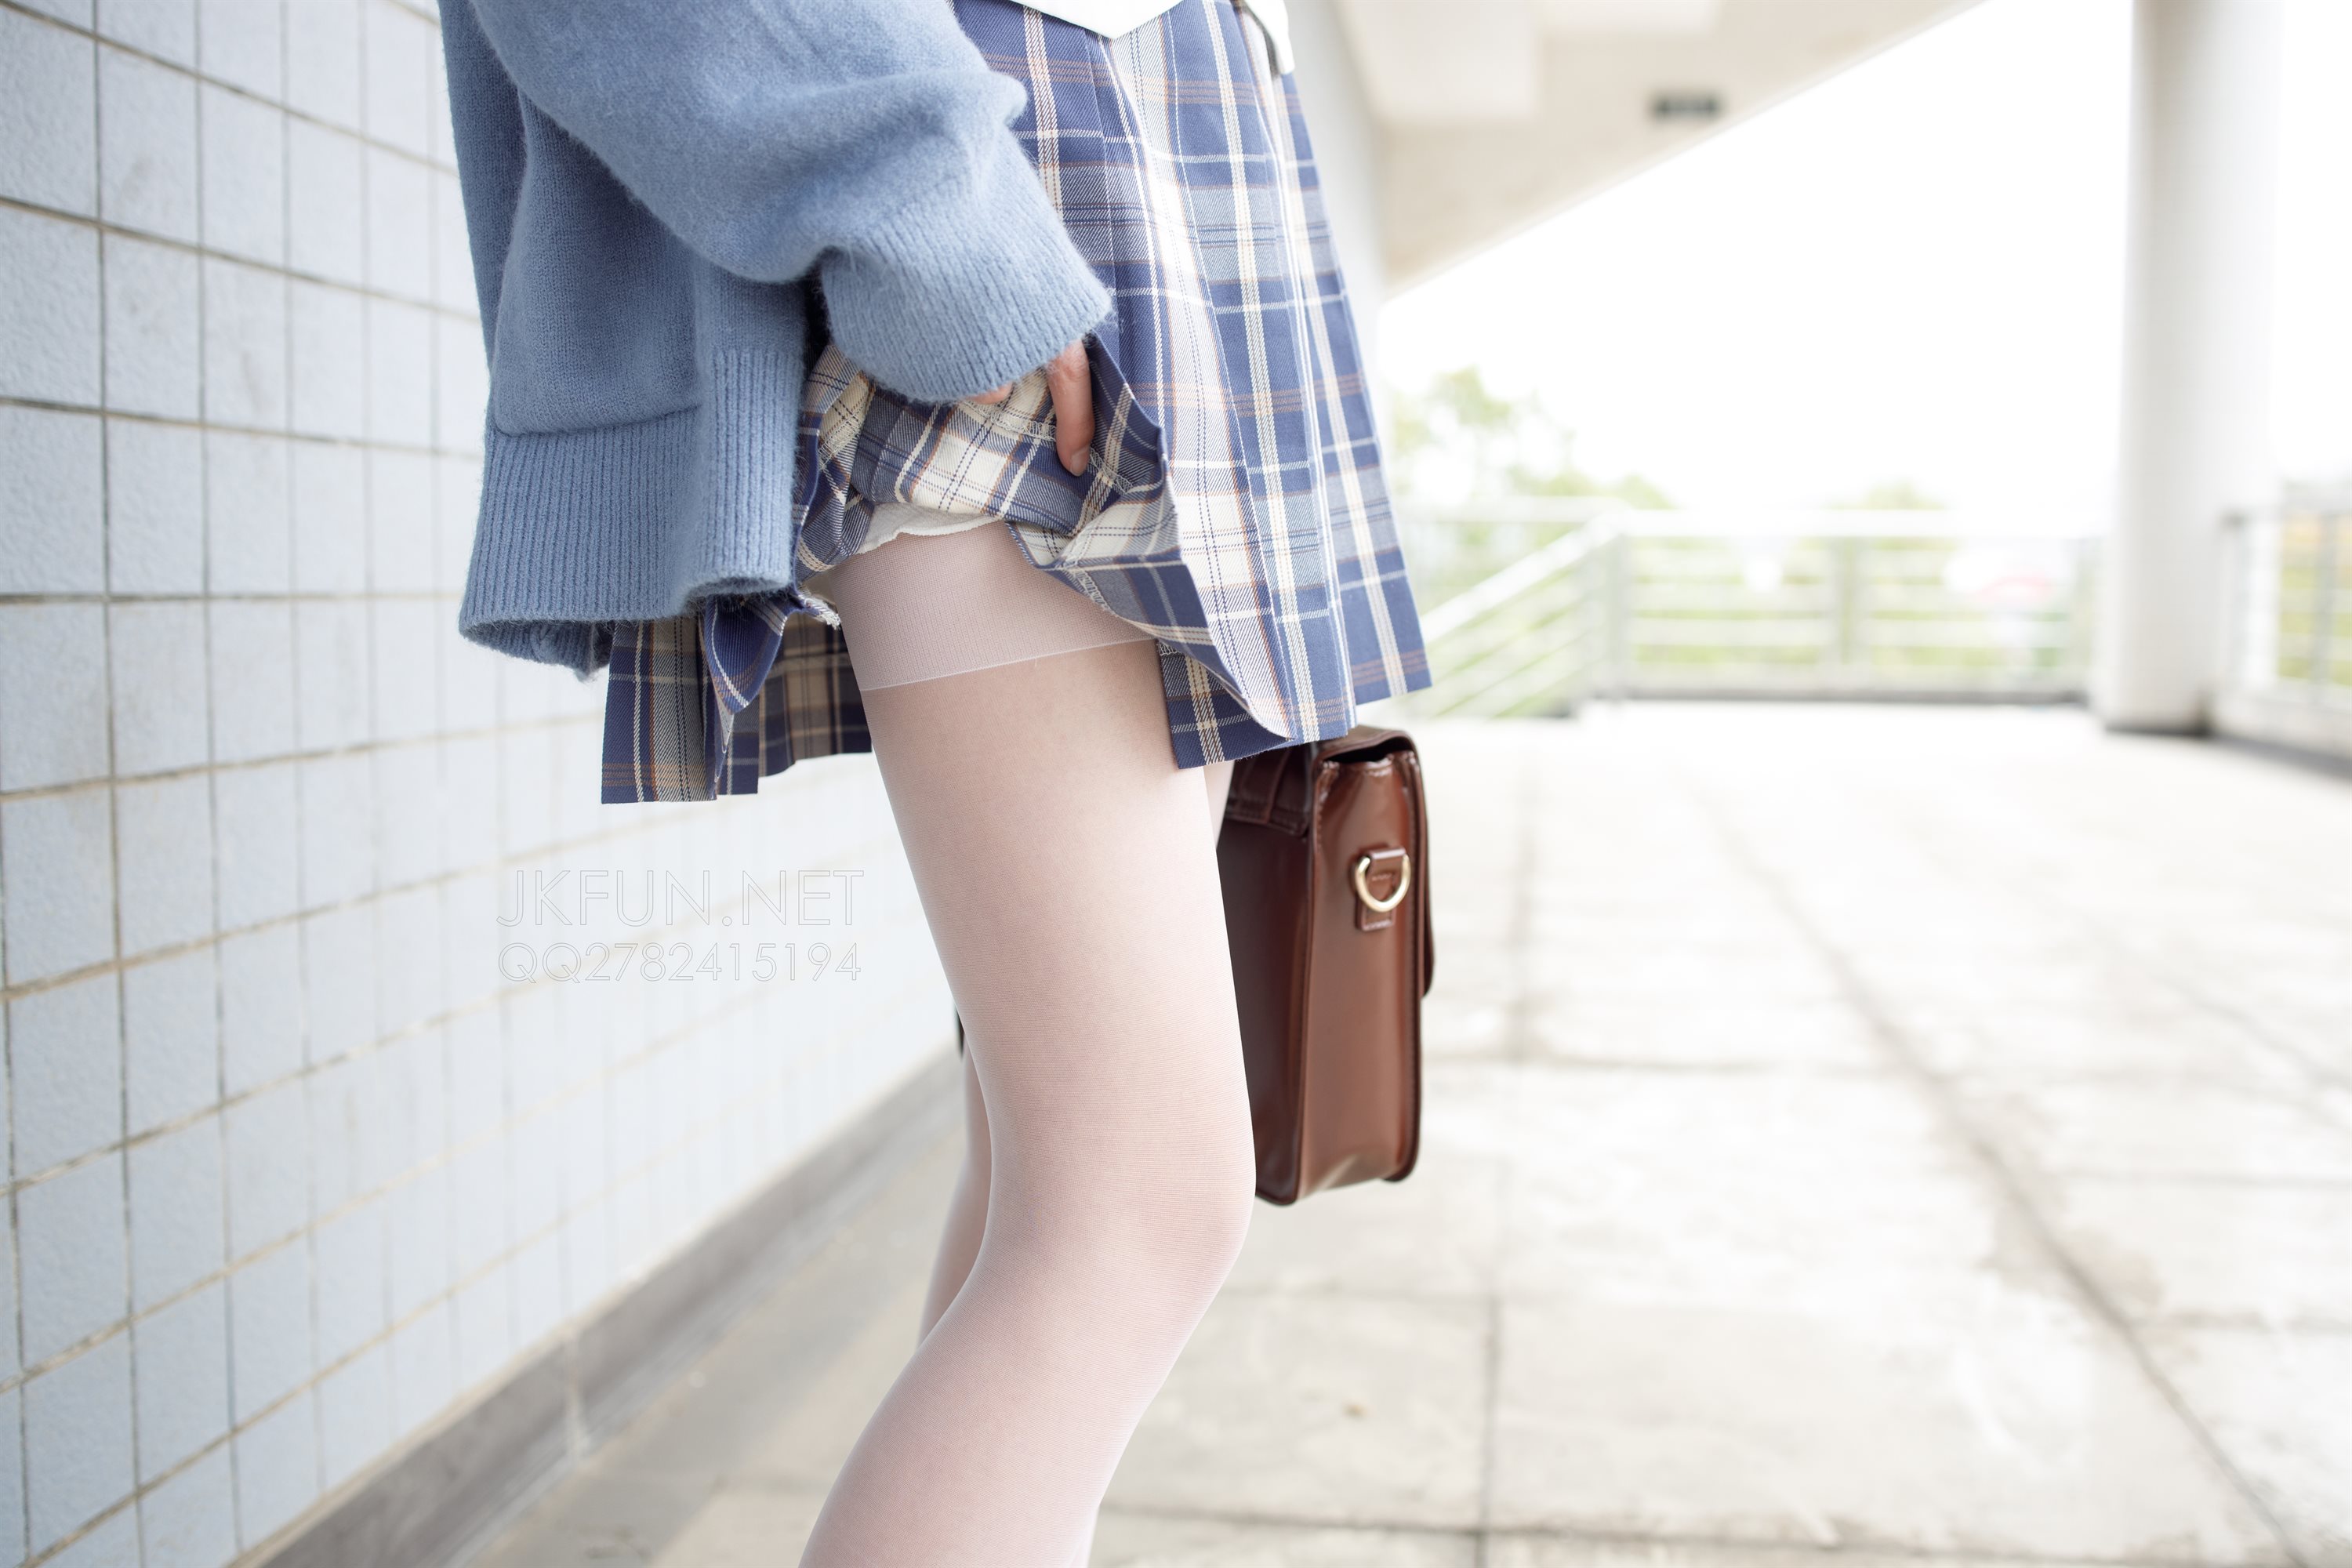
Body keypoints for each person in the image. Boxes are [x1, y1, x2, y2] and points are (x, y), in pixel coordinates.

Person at [440, 0, 1428, 1559]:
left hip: (1152, 212)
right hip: (1024, 202)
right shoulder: (958, 219)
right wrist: (930, 215)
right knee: (1132, 1213)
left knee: (1056, 1188)